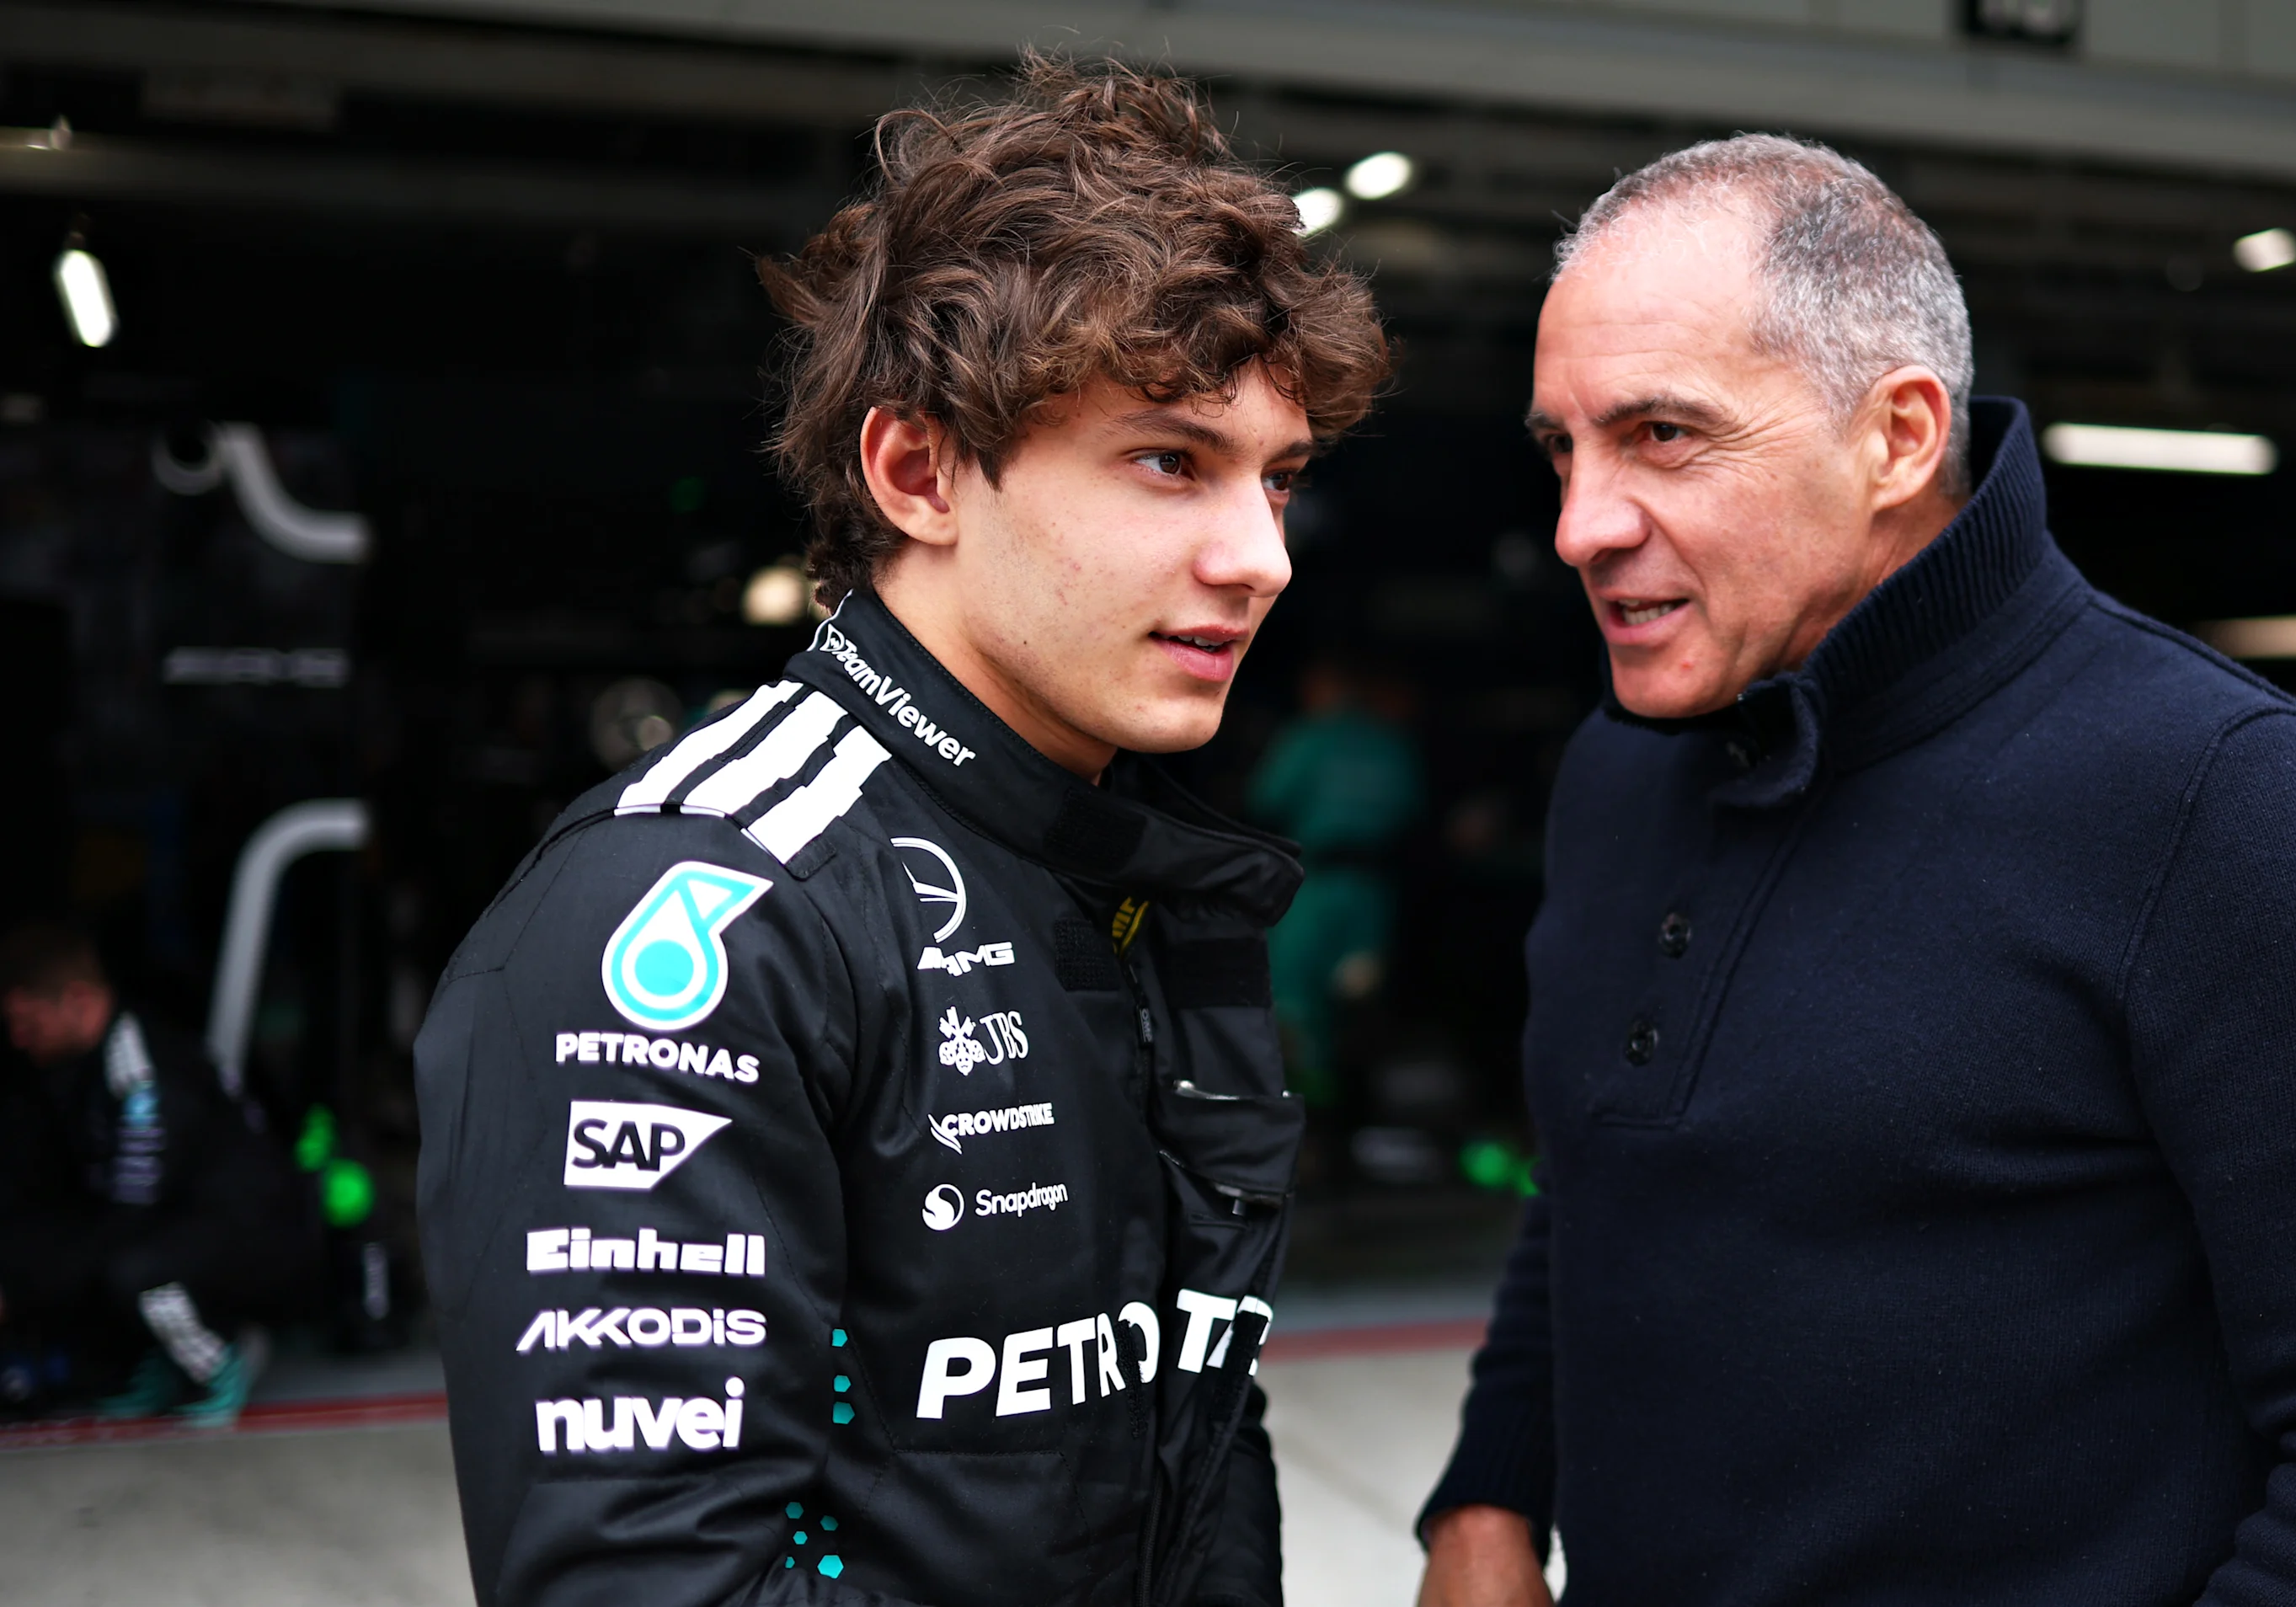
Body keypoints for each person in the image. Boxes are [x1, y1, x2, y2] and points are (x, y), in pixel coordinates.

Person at [1416, 136, 2296, 1604]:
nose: (1580, 522)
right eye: (1561, 447)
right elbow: (1606, 1169)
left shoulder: (2223, 803)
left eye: (1662, 436)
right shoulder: (1620, 766)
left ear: (1895, 437)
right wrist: (1491, 1495)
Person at [414, 55, 1389, 1607]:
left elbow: (1193, 1433)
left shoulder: (1139, 876)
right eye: (1168, 460)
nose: (1259, 554)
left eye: (1277, 479)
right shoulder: (693, 912)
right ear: (918, 468)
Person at [0, 921, 317, 1427]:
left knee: (133, 1272)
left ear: (77, 1000)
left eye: (28, 1022)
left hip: (266, 1234)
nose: (17, 1039)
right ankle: (163, 1363)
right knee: (80, 1252)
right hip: (186, 1224)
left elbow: (127, 1216)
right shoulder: (71, 1070)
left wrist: (22, 1293)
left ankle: (218, 1361)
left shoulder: (144, 1072)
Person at [1248, 658, 1425, 1108]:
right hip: (1372, 892)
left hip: (1317, 886)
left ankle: (1310, 1117)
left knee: (1294, 1003)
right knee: (1361, 1000)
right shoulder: (1390, 742)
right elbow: (1412, 810)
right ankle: (1360, 1113)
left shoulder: (1310, 737)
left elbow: (1266, 798)